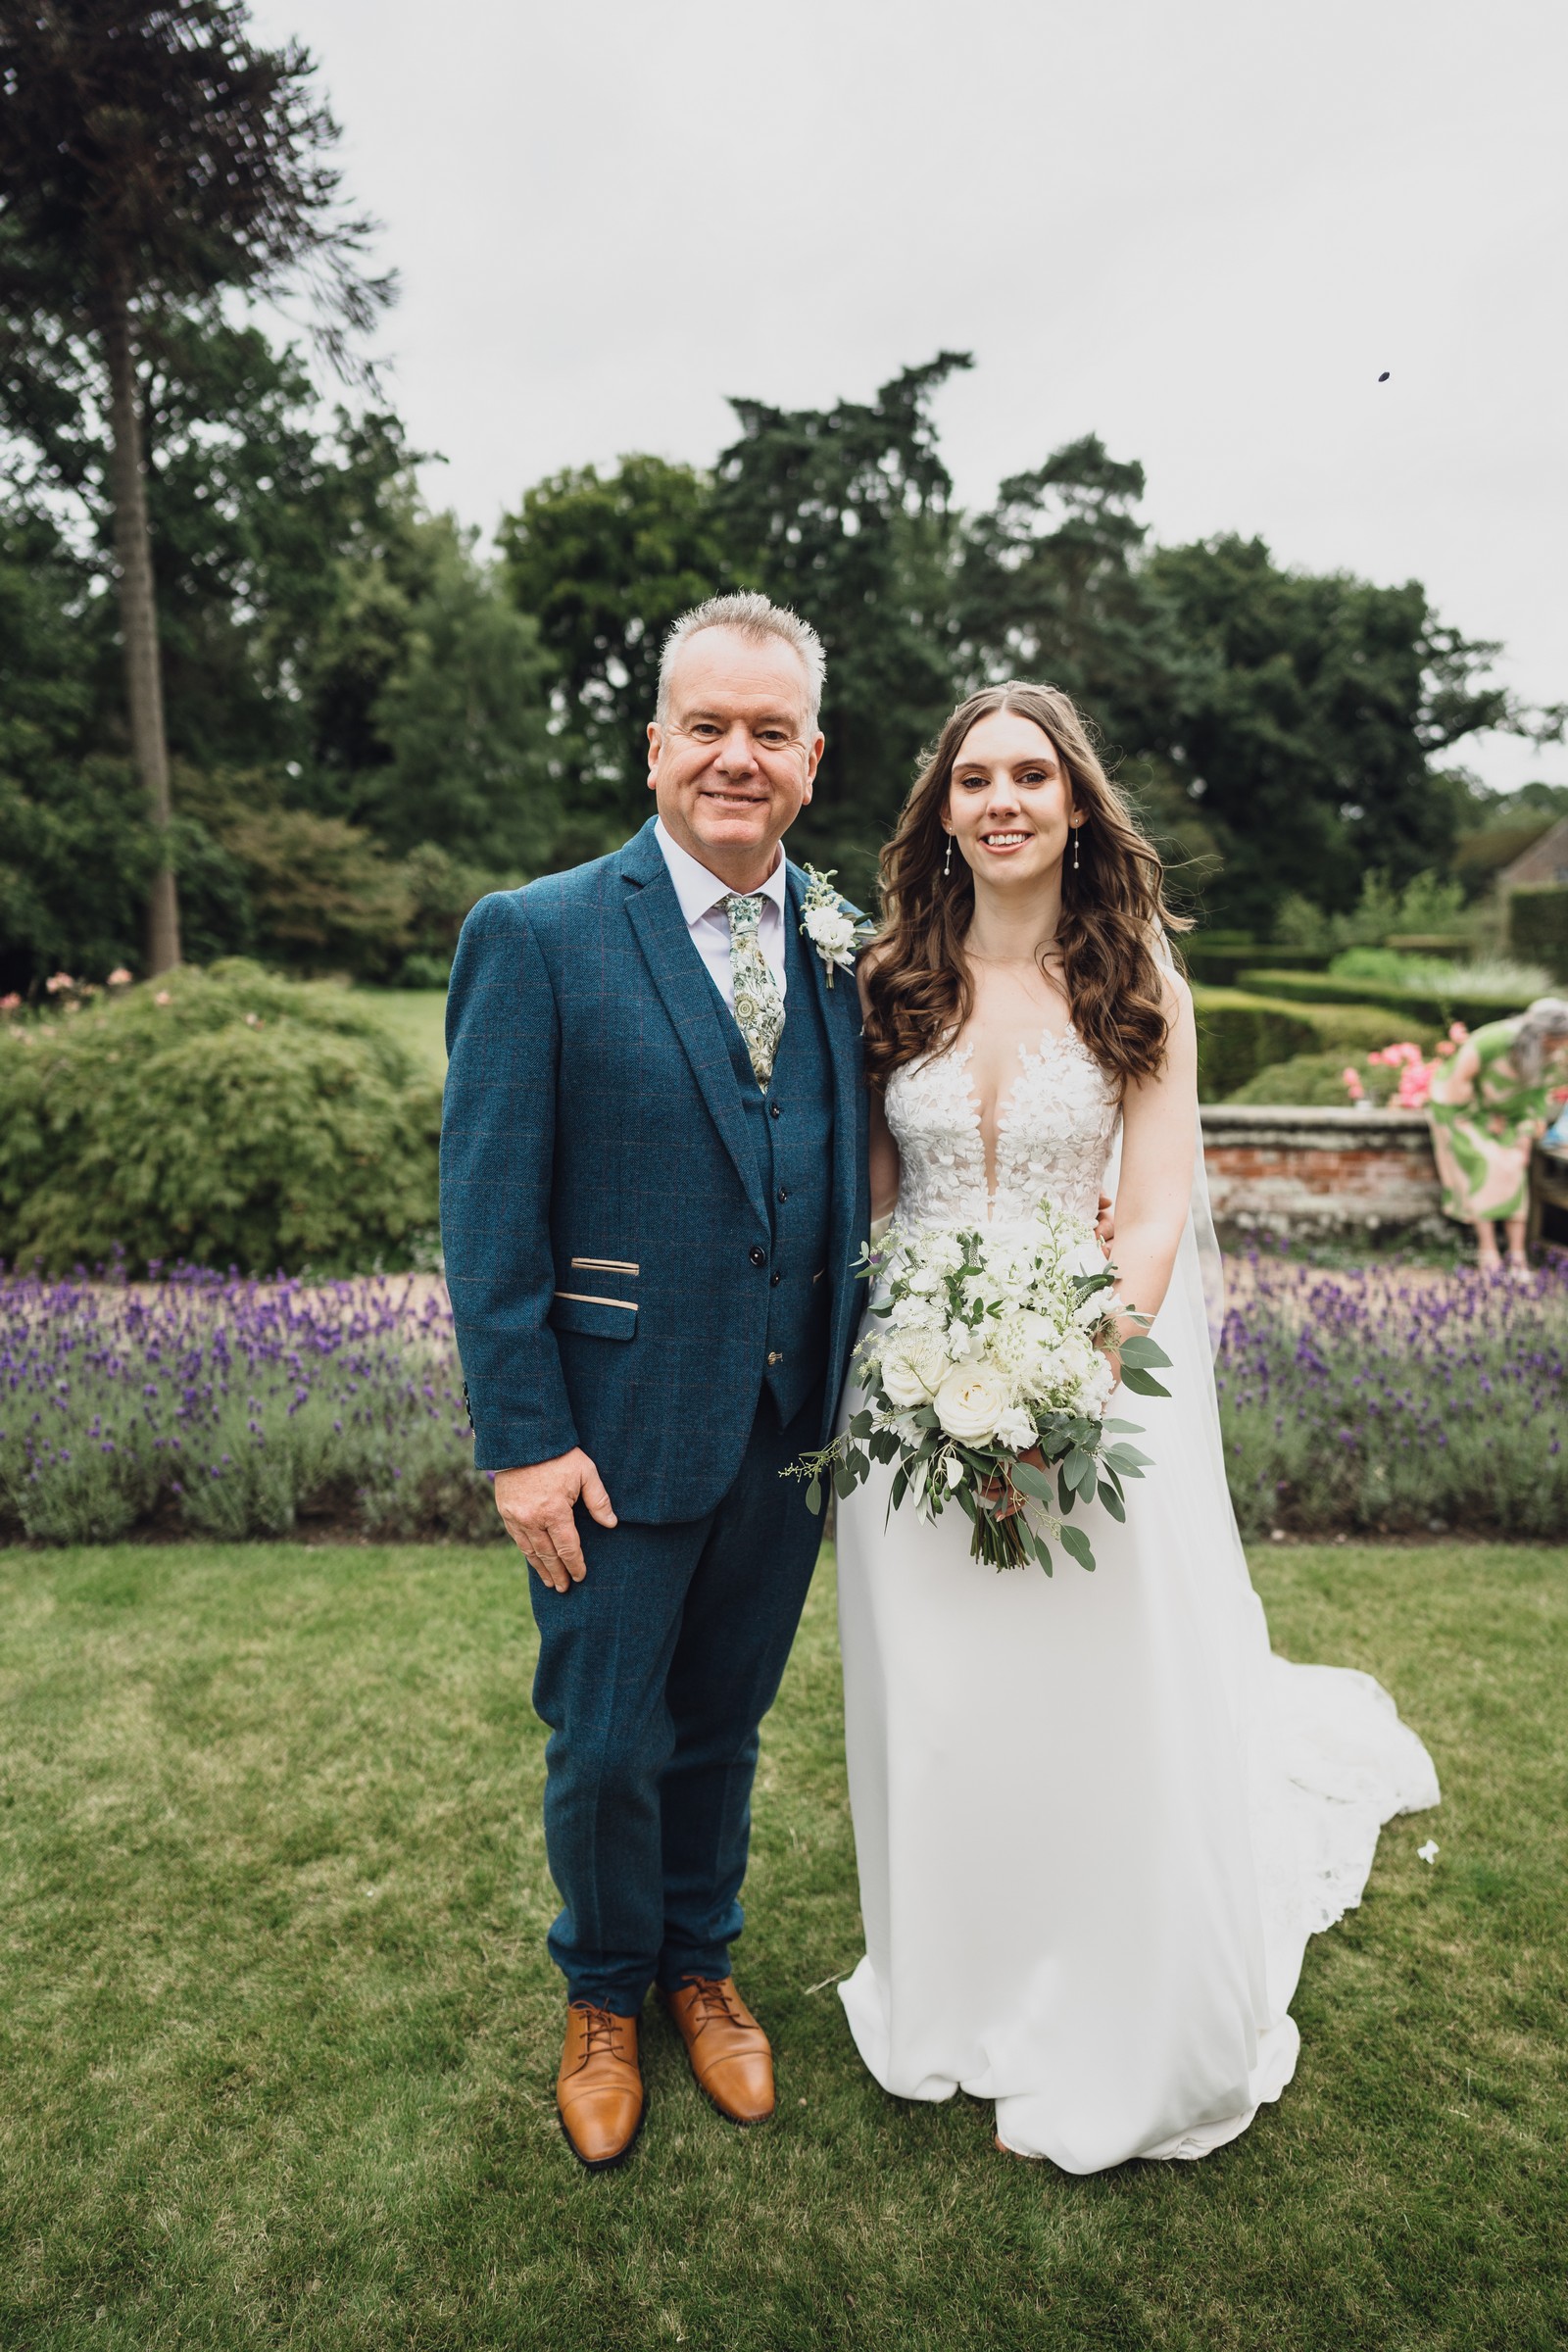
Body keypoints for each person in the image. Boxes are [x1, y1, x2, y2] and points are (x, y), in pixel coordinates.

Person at [834, 683, 1440, 2174]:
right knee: (942, 1699)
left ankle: (1105, 1990)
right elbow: (873, 1200)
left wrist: (1065, 1384)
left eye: (1031, 776)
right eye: (974, 778)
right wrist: (912, 1371)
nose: (1002, 801)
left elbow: (1155, 1212)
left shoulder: (1134, 978)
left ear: (1075, 804)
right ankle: (960, 1983)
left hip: (1085, 1384)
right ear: (942, 811)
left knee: (1088, 1698)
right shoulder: (888, 976)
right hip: (907, 1393)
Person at [441, 593, 869, 2169]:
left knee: (723, 1724)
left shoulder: (849, 948)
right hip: (607, 1436)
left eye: (770, 731)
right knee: (608, 1738)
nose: (736, 757)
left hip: (787, 1422)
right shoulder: (539, 932)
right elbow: (488, 1214)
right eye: (708, 727)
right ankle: (605, 1993)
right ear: (655, 746)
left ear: (812, 760)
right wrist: (523, 1444)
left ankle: (702, 1964)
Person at [1425, 999, 1568, 1272]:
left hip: (1510, 1119)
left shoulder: (1552, 1055)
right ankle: (1487, 1248)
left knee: (1515, 1163)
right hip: (1464, 1114)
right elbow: (1458, 1084)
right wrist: (1484, 1118)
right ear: (1546, 1034)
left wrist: (1526, 1131)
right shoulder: (1492, 1041)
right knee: (1486, 1162)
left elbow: (1538, 1097)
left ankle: (1517, 1253)